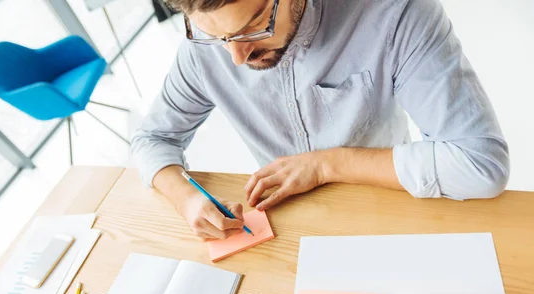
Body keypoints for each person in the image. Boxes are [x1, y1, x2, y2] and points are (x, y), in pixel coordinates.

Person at [130, 0, 509, 241]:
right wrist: (187, 200)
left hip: (389, 207)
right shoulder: (204, 49)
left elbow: (479, 164)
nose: (236, 58)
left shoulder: (397, 13)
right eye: (217, 36)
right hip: (286, 230)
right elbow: (151, 139)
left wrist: (327, 164)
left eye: (253, 27)